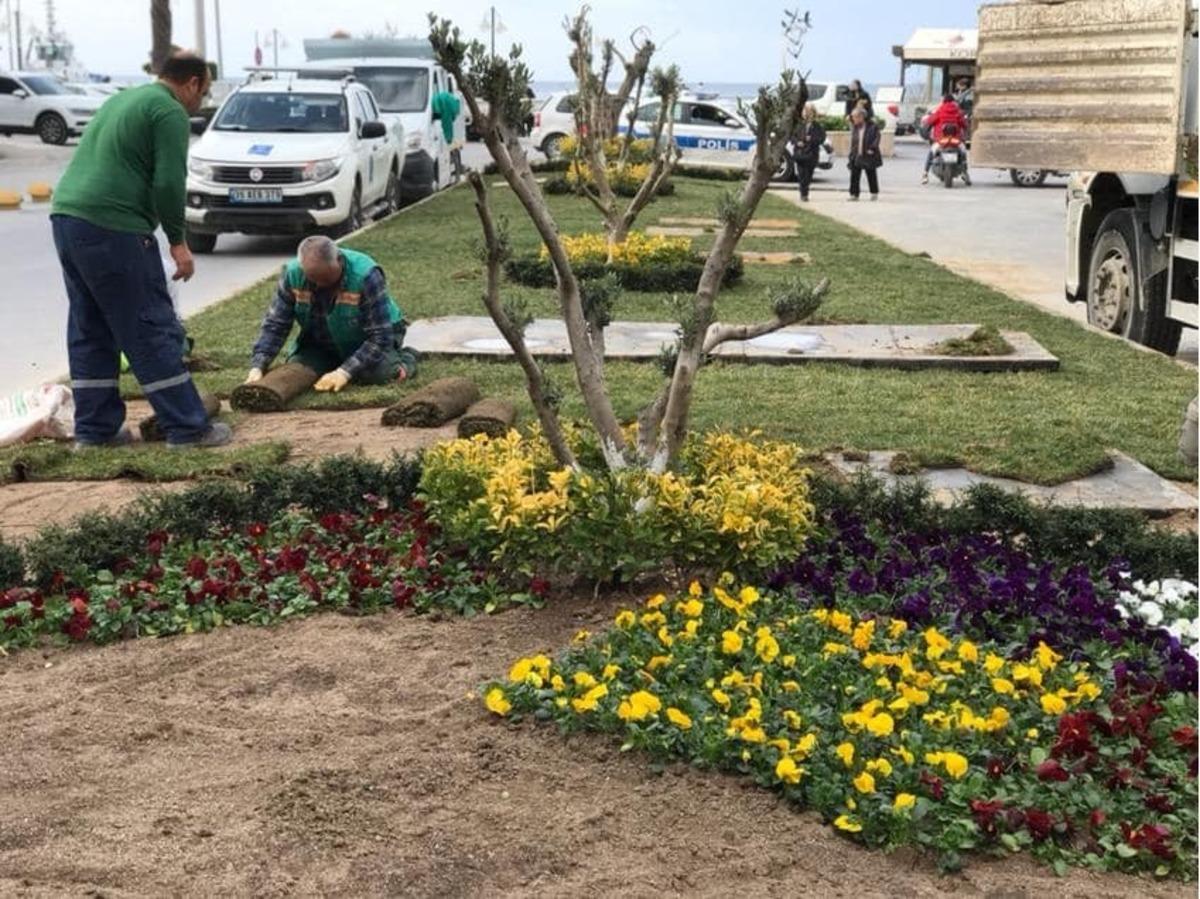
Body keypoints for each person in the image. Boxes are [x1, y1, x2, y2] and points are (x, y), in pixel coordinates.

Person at [50, 52, 231, 450]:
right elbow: (169, 181)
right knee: (148, 324)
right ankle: (188, 428)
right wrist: (179, 241)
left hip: (67, 219)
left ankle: (95, 432)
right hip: (114, 226)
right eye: (204, 90)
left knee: (90, 327)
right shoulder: (169, 111)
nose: (201, 100)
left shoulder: (122, 99)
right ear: (193, 83)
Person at [247, 236, 417, 392]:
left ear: (339, 261)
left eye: (328, 280)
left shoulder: (366, 275)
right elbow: (276, 324)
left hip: (370, 338)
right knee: (297, 369)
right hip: (321, 341)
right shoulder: (292, 274)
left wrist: (344, 372)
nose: (321, 286)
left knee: (381, 375)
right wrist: (258, 365)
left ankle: (407, 357)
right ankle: (335, 361)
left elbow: (380, 338)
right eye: (314, 281)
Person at [921, 94, 970, 185]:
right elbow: (965, 125)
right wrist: (965, 134)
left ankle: (925, 174)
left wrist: (927, 131)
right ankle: (965, 173)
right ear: (953, 102)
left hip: (941, 140)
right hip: (955, 140)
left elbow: (929, 122)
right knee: (963, 153)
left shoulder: (939, 111)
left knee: (931, 152)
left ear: (943, 101)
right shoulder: (958, 112)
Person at [792, 103, 826, 202]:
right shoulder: (799, 125)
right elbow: (792, 136)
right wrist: (797, 142)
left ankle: (804, 192)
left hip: (811, 155)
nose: (807, 114)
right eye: (805, 111)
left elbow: (821, 139)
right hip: (800, 153)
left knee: (808, 176)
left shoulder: (817, 126)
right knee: (801, 175)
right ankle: (803, 194)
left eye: (809, 111)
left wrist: (811, 139)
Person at [846, 107, 881, 201]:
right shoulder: (855, 126)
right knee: (854, 175)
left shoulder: (872, 126)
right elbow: (848, 116)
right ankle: (854, 194)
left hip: (868, 154)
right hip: (856, 154)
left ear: (861, 117)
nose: (853, 119)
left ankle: (874, 193)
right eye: (853, 117)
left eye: (855, 117)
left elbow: (877, 138)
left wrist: (872, 148)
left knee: (871, 174)